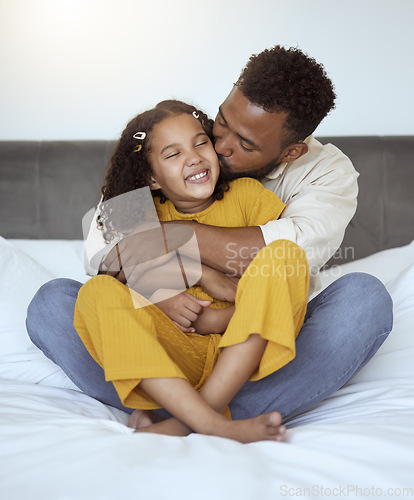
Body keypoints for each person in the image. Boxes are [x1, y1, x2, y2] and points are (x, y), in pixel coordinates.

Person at [26, 45, 393, 430]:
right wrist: (170, 287)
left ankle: (184, 415)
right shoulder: (176, 142)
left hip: (256, 347)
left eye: (245, 144)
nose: (217, 146)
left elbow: (290, 255)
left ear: (291, 152)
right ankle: (202, 411)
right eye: (220, 122)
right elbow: (108, 251)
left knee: (364, 300)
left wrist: (173, 235)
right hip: (170, 339)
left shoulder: (325, 174)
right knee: (54, 305)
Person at [72, 99, 310, 443]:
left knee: (286, 254)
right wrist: (196, 276)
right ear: (152, 177)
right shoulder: (138, 216)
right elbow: (122, 284)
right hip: (173, 352)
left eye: (201, 142)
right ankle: (213, 423)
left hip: (244, 351)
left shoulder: (249, 197)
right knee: (94, 293)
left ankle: (189, 421)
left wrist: (211, 318)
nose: (194, 157)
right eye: (173, 154)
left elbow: (270, 286)